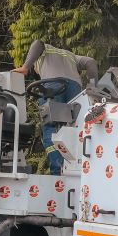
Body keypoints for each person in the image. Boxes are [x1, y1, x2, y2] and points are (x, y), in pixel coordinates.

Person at [13, 40, 99, 175]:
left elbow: (37, 43)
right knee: (75, 127)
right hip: (75, 89)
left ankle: (57, 171)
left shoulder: (43, 51)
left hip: (53, 86)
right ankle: (75, 168)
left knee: (50, 128)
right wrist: (93, 87)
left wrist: (25, 66)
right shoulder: (72, 56)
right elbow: (91, 62)